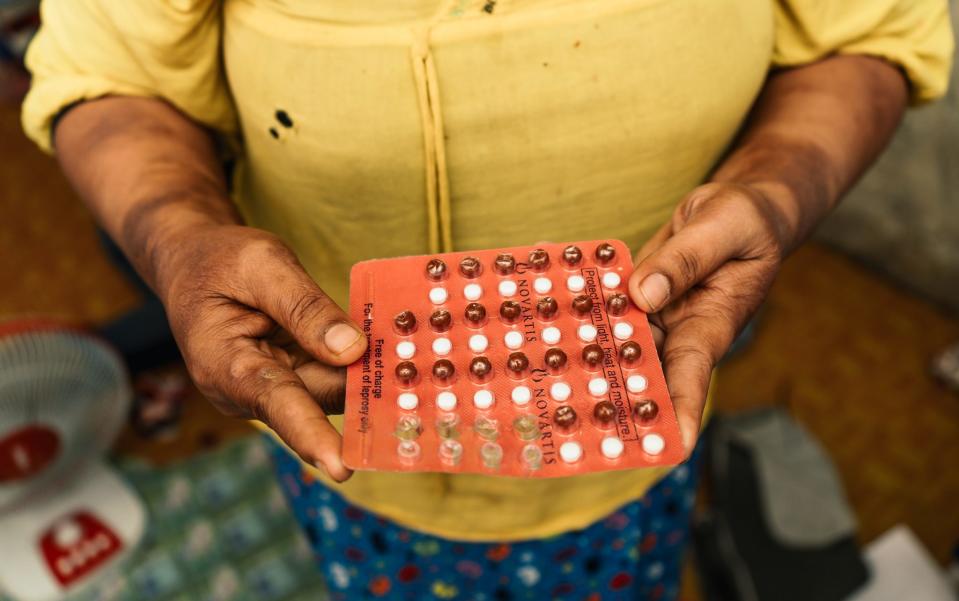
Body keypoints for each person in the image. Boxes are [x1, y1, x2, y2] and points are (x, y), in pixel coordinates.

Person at [22, 1, 952, 598]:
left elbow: (868, 31)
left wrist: (779, 186)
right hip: (347, 440)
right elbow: (113, 75)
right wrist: (178, 234)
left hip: (627, 443)